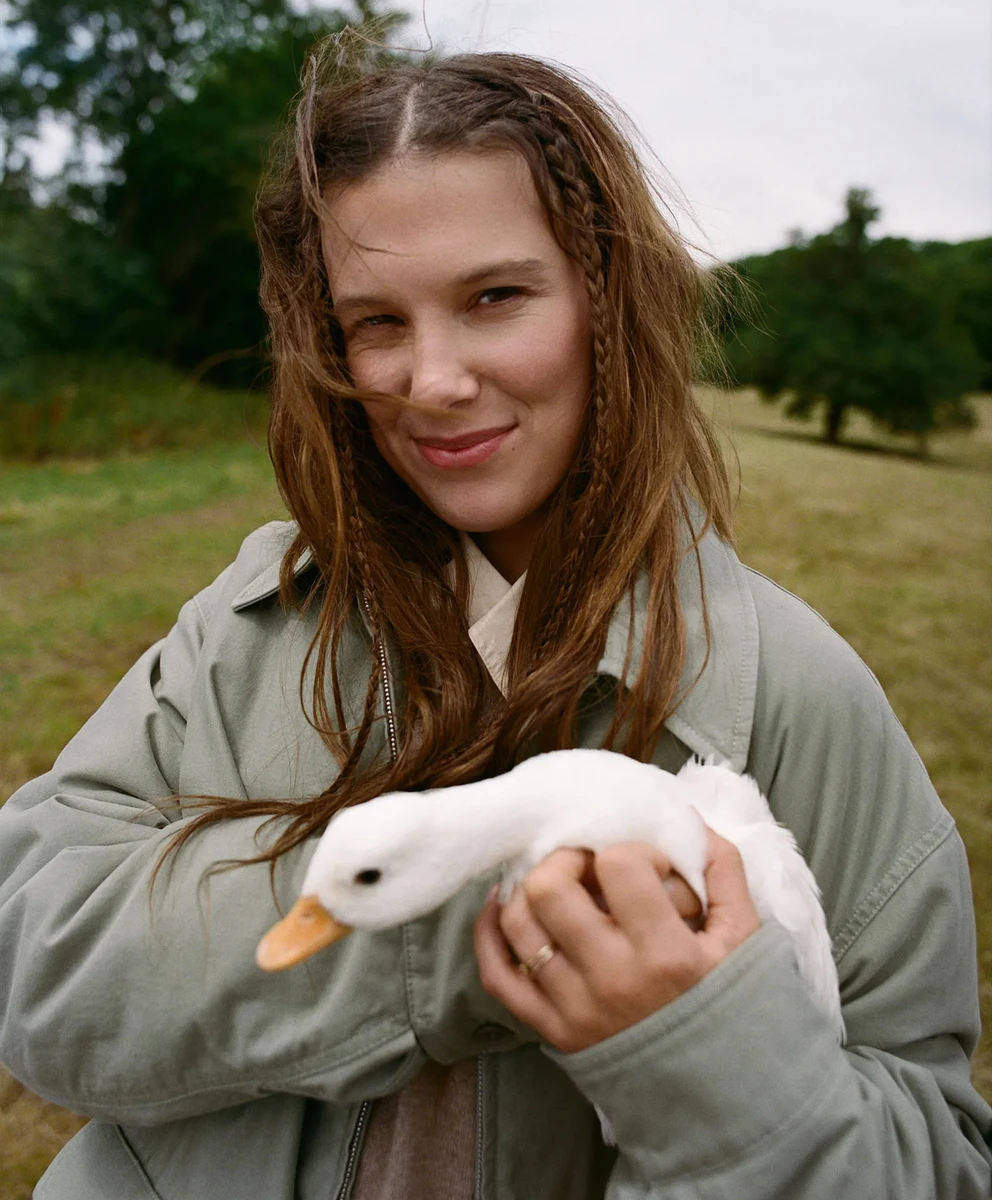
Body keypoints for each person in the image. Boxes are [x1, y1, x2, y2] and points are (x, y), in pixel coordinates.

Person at [0, 47, 989, 1200]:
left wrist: (704, 1051)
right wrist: (452, 914)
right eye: (373, 321)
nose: (431, 379)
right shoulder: (243, 627)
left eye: (494, 298)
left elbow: (932, 1166)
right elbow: (36, 967)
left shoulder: (797, 695)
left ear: (605, 303)